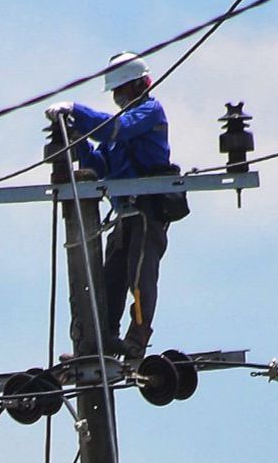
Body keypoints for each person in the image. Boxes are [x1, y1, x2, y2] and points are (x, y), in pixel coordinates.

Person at [55, 51, 185, 361]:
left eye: (120, 91)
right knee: (107, 281)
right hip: (124, 217)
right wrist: (79, 140)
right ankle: (103, 342)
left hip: (146, 214)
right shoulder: (119, 127)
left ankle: (136, 340)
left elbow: (116, 129)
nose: (116, 98)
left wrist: (77, 111)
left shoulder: (148, 112)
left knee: (139, 278)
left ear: (138, 86)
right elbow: (100, 165)